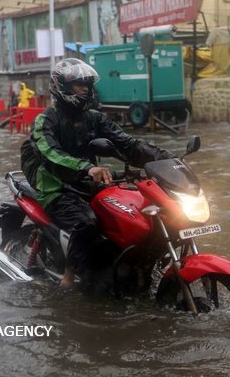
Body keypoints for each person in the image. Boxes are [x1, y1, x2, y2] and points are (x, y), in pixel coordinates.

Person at [20, 58, 175, 289]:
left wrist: (166, 159)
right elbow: (49, 152)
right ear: (61, 86)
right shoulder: (46, 120)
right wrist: (88, 168)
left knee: (138, 214)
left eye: (88, 84)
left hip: (87, 181)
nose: (85, 89)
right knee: (87, 222)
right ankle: (71, 279)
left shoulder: (94, 118)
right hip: (54, 184)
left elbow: (127, 144)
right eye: (79, 84)